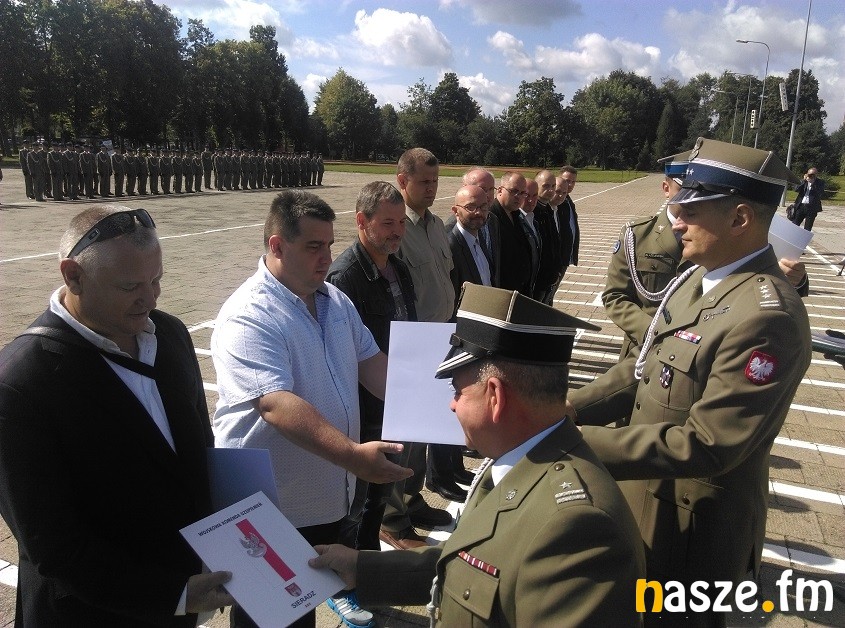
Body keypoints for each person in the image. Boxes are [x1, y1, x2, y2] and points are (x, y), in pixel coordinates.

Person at [568, 138, 811, 627]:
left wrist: (572, 441)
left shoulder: (767, 317)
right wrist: (566, 409)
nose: (676, 220)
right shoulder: (697, 280)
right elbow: (644, 371)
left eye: (692, 210)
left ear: (740, 218)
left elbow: (708, 443)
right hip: (646, 503)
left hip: (693, 532)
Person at [311, 283, 645, 627]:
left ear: (495, 398)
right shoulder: (518, 460)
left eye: (457, 390)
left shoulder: (577, 531)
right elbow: (475, 563)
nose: (452, 404)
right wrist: (361, 568)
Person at [0, 206, 234, 626]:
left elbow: (198, 454)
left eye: (156, 280)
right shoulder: (20, 383)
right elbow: (54, 548)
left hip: (178, 599)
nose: (151, 298)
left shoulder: (170, 335)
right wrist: (175, 594)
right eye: (130, 287)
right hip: (91, 615)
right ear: (73, 276)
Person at [211, 190, 412, 628]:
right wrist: (353, 456)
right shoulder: (249, 314)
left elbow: (374, 367)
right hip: (268, 502)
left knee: (304, 605)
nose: (326, 258)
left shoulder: (335, 301)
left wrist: (441, 406)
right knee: (270, 616)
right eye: (313, 247)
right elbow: (276, 405)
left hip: (322, 495)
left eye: (330, 245)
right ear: (277, 246)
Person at [326, 181, 418, 628]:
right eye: (387, 223)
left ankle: (367, 571)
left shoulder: (398, 267)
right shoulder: (344, 278)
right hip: (364, 411)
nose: (397, 231)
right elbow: (345, 358)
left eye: (401, 222)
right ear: (361, 221)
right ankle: (344, 586)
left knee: (380, 496)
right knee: (355, 502)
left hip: (396, 399)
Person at [391, 148, 462, 530]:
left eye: (435, 181)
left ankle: (412, 496)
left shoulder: (435, 225)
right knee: (403, 433)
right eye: (424, 182)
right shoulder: (396, 227)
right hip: (412, 342)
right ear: (403, 181)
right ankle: (392, 512)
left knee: (422, 431)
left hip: (440, 337)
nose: (432, 188)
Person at [446, 185, 495, 306]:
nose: (478, 212)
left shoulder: (480, 239)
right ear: (455, 211)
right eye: (471, 207)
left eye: (483, 207)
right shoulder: (450, 248)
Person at [489, 172, 533, 296]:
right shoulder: (490, 217)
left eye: (523, 193)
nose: (518, 197)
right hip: (502, 293)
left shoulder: (516, 215)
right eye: (514, 191)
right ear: (500, 190)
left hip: (520, 291)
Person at [791, 166, 825, 231]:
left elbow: (820, 193)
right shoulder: (804, 181)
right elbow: (796, 189)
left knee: (807, 228)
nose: (811, 176)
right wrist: (804, 181)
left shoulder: (820, 182)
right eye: (810, 174)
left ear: (816, 175)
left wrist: (813, 183)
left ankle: (803, 237)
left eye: (813, 174)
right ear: (807, 174)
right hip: (801, 206)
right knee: (794, 225)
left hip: (812, 208)